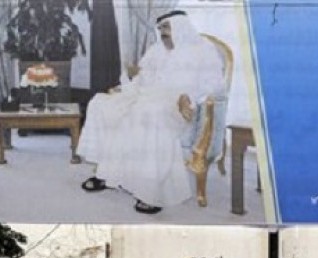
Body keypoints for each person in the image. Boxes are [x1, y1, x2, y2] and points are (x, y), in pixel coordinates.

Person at [77, 10, 226, 215]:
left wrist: (189, 96)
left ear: (180, 27)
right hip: (147, 96)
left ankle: (151, 191)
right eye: (161, 28)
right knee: (100, 103)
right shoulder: (157, 50)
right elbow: (144, 77)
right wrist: (126, 87)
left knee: (148, 113)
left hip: (176, 104)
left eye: (167, 27)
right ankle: (107, 173)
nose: (163, 32)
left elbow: (215, 85)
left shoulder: (202, 50)